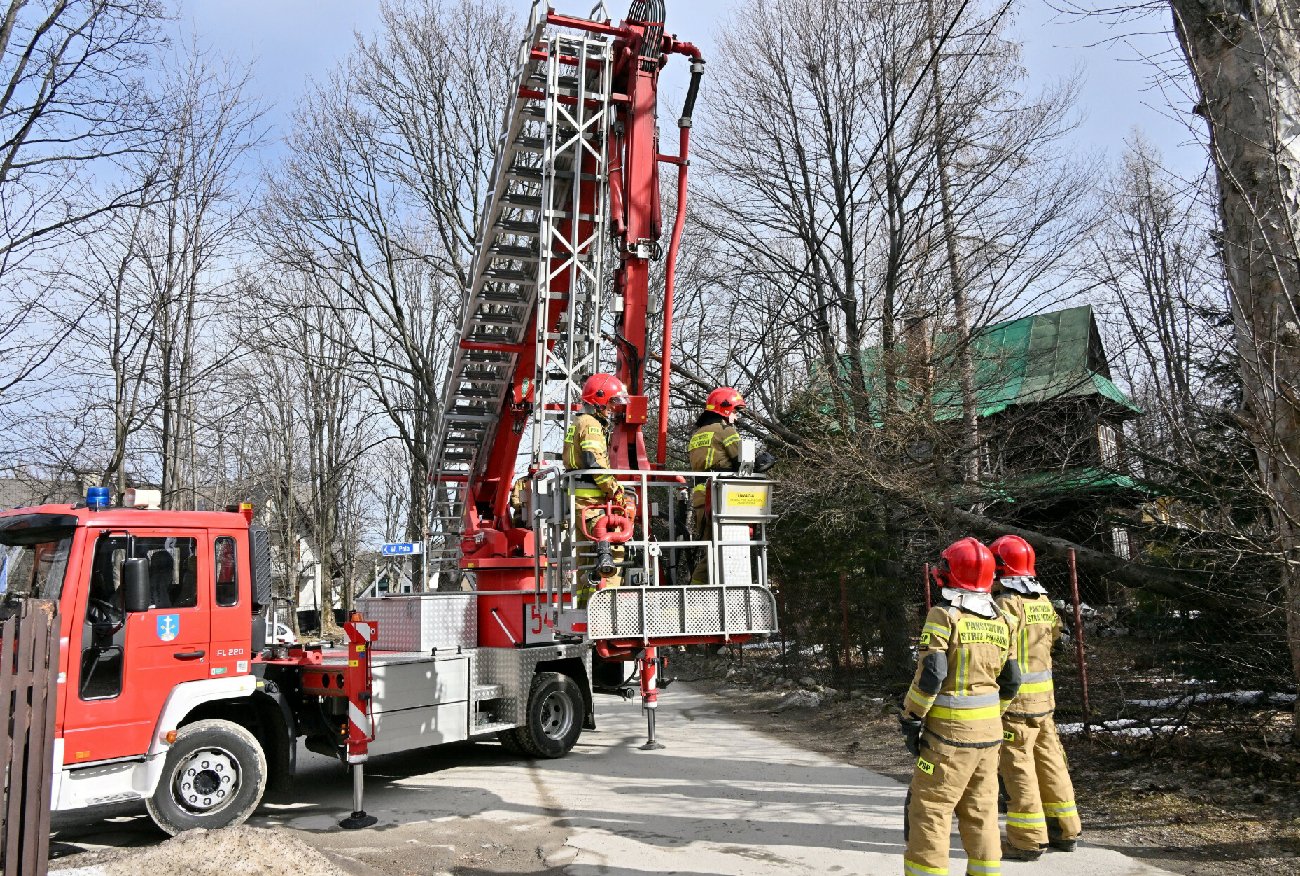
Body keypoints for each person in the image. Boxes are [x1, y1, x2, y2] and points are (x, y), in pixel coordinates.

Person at [900, 537, 1022, 876]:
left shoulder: (944, 615)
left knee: (931, 808)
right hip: (990, 735)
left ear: (950, 573)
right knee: (982, 809)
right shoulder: (1003, 620)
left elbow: (932, 675)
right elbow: (1012, 680)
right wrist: (993, 715)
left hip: (949, 737)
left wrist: (912, 717)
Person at [990, 534, 1081, 859]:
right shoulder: (1042, 601)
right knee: (1051, 762)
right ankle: (1064, 830)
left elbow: (996, 653)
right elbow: (1055, 640)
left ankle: (1027, 841)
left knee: (1019, 768)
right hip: (1044, 703)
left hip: (1014, 705)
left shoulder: (1006, 604)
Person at [564, 373, 632, 604]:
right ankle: (607, 608)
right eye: (611, 403)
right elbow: (594, 464)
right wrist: (615, 490)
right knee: (614, 549)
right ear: (599, 400)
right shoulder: (591, 426)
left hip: (580, 501)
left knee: (587, 558)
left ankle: (587, 606)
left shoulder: (580, 422)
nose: (613, 409)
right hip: (590, 502)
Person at [687, 387, 746, 585]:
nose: (736, 417)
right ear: (725, 408)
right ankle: (695, 593)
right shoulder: (725, 431)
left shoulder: (697, 434)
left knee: (711, 549)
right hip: (721, 498)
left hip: (701, 499)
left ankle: (701, 590)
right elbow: (741, 461)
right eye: (735, 411)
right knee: (721, 550)